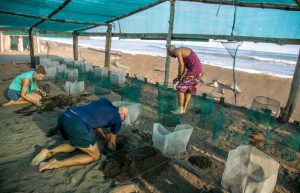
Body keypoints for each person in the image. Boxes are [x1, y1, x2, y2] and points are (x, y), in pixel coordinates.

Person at [31, 97, 128, 172]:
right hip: (77, 123)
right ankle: (55, 164)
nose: (122, 121)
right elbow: (111, 144)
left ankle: (48, 152)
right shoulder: (118, 119)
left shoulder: (105, 101)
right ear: (122, 114)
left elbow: (96, 120)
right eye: (124, 118)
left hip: (66, 115)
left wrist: (102, 135)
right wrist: (113, 153)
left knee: (76, 143)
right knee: (95, 156)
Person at [167, 45, 204, 114]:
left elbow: (181, 65)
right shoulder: (183, 50)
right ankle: (184, 109)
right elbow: (183, 68)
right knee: (188, 89)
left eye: (169, 54)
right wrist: (178, 78)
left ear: (169, 51)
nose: (171, 56)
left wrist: (179, 76)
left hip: (193, 72)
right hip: (200, 72)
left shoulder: (177, 50)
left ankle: (180, 109)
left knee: (180, 88)